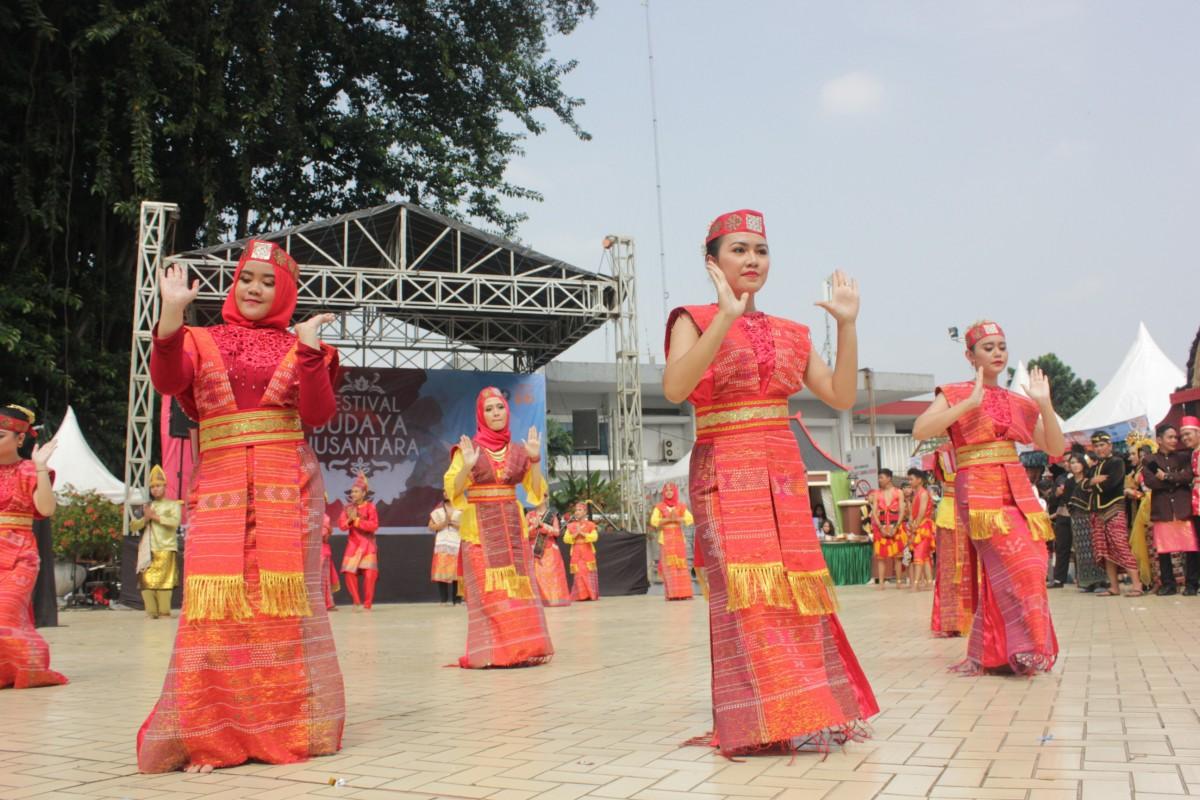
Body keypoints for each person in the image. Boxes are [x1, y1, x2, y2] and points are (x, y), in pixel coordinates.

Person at [663, 209, 877, 755]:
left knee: (793, 594)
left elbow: (841, 396)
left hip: (781, 476)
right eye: (738, 249)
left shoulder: (791, 332)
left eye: (760, 250)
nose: (752, 260)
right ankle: (757, 719)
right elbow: (675, 387)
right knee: (745, 596)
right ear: (711, 261)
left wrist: (847, 325)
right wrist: (724, 319)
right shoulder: (692, 317)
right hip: (723, 473)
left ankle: (797, 709)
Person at [138, 240, 344, 772]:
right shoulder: (198, 338)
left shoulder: (305, 345)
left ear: (285, 292)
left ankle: (281, 730)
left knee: (279, 614)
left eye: (267, 282)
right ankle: (212, 735)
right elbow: (166, 380)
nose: (254, 288)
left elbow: (317, 415)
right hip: (221, 489)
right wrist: (171, 313)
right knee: (214, 614)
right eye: (246, 278)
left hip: (287, 491)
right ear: (235, 283)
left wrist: (307, 352)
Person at [913, 320, 1063, 675]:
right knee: (1018, 565)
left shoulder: (1018, 401)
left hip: (1017, 488)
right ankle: (1024, 647)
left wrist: (1044, 405)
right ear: (969, 355)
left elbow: (1055, 446)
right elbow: (921, 430)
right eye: (988, 347)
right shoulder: (953, 392)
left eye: (1001, 346)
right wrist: (967, 405)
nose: (997, 353)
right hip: (978, 490)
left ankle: (998, 651)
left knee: (1034, 561)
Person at [444, 386, 552, 668]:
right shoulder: (468, 450)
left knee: (515, 592)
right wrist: (467, 467)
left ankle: (522, 650)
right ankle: (495, 654)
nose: (495, 413)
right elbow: (453, 492)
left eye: (500, 407)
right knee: (490, 593)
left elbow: (537, 494)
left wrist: (535, 460)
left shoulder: (519, 450)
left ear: (507, 410)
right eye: (489, 409)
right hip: (479, 532)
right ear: (481, 414)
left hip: (512, 530)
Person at [0, 404, 66, 690]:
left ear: (19, 439)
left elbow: (46, 509)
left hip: (19, 557)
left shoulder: (29, 470)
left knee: (4, 613)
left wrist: (40, 467)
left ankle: (31, 664)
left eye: (0, 435)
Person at [1084, 432, 1143, 597]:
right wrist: (1091, 481)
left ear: (1110, 446)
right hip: (1097, 512)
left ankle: (1137, 585)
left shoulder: (1117, 462)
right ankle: (1114, 587)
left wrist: (1092, 484)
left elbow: (1111, 485)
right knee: (1105, 551)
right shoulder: (1094, 468)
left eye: (1102, 445)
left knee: (1120, 546)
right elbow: (1081, 486)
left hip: (1113, 510)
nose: (1099, 448)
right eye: (1096, 446)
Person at [1142, 423, 1197, 595]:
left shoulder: (1183, 457)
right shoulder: (1149, 460)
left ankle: (1192, 584)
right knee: (1164, 549)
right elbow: (1151, 482)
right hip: (1163, 508)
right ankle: (1168, 584)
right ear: (1159, 440)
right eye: (1170, 437)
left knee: (1191, 548)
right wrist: (1176, 479)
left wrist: (1166, 476)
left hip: (1182, 506)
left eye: (1176, 437)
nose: (1175, 440)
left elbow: (1188, 475)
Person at [930, 445, 973, 637]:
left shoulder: (969, 446)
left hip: (971, 510)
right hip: (957, 511)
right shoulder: (943, 452)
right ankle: (953, 621)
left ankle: (965, 620)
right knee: (949, 570)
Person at [129, 465, 182, 619]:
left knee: (164, 583)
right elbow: (134, 526)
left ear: (165, 486)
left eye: (158, 486)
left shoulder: (173, 505)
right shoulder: (147, 506)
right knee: (146, 582)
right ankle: (151, 613)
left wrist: (155, 517)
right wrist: (145, 518)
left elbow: (175, 522)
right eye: (152, 487)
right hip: (148, 551)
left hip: (166, 548)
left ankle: (164, 612)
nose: (155, 489)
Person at [339, 472, 380, 611]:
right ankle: (356, 601)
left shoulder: (370, 507)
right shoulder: (348, 508)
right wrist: (350, 520)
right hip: (353, 545)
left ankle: (367, 604)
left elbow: (374, 526)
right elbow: (342, 526)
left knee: (369, 575)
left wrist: (356, 521)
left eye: (356, 491)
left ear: (363, 493)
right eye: (352, 491)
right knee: (349, 573)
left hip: (367, 545)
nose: (353, 494)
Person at [649, 482, 695, 600]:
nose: (669, 492)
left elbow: (690, 519)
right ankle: (673, 594)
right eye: (667, 490)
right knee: (669, 567)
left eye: (671, 490)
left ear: (675, 492)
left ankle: (684, 593)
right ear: (664, 493)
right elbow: (654, 521)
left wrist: (678, 519)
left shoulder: (680, 506)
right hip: (666, 539)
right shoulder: (660, 507)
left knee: (681, 565)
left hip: (679, 538)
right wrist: (667, 520)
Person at [1123, 438, 1156, 590]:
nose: (1130, 457)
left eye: (1133, 454)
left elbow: (1148, 494)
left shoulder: (1147, 471)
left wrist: (1132, 493)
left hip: (1148, 512)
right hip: (1137, 512)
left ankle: (1153, 580)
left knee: (1150, 546)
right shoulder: (1136, 472)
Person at [527, 503, 570, 607]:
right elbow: (525, 532)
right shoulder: (529, 515)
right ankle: (539, 600)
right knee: (537, 574)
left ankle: (554, 599)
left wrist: (543, 525)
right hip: (535, 549)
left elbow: (557, 532)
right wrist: (534, 527)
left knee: (552, 575)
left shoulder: (552, 514)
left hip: (550, 550)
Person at [871, 469, 906, 589]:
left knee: (898, 556)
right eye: (879, 478)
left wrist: (896, 527)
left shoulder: (898, 492)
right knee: (880, 557)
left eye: (881, 477)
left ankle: (899, 582)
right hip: (881, 528)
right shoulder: (877, 493)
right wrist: (880, 527)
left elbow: (902, 511)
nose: (879, 480)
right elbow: (874, 512)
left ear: (889, 478)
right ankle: (881, 583)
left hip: (895, 527)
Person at [429, 492, 462, 606]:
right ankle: (443, 599)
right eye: (444, 491)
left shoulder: (462, 506)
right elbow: (431, 526)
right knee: (441, 570)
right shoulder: (439, 508)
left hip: (457, 542)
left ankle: (457, 599)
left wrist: (452, 523)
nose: (445, 493)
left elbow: (468, 525)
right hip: (442, 542)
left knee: (457, 571)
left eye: (448, 490)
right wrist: (444, 523)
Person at [563, 502, 600, 601]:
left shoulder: (590, 525)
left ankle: (590, 594)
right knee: (579, 574)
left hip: (587, 551)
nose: (577, 512)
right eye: (576, 510)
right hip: (576, 551)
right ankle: (581, 596)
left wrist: (583, 533)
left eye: (579, 510)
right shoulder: (571, 525)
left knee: (588, 572)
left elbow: (594, 537)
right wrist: (575, 535)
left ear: (585, 512)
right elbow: (566, 539)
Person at [906, 468, 935, 591]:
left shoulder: (923, 493)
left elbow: (922, 512)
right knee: (925, 556)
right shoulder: (916, 493)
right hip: (917, 526)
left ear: (919, 480)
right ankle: (929, 582)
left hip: (924, 527)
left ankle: (916, 584)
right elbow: (912, 513)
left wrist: (915, 525)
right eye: (909, 479)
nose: (910, 482)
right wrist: (911, 524)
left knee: (918, 555)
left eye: (911, 479)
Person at [1047, 463, 1073, 588]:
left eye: (1072, 461)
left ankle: (1082, 578)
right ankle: (1058, 579)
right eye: (1067, 462)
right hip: (1062, 515)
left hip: (1080, 515)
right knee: (1061, 547)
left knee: (1081, 548)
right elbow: (1051, 499)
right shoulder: (1060, 478)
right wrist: (1057, 494)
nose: (1068, 464)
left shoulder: (1084, 477)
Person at [320, 496, 339, 611]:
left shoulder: (325, 517)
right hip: (309, 550)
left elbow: (324, 534)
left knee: (323, 579)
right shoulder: (308, 514)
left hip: (322, 551)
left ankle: (325, 603)